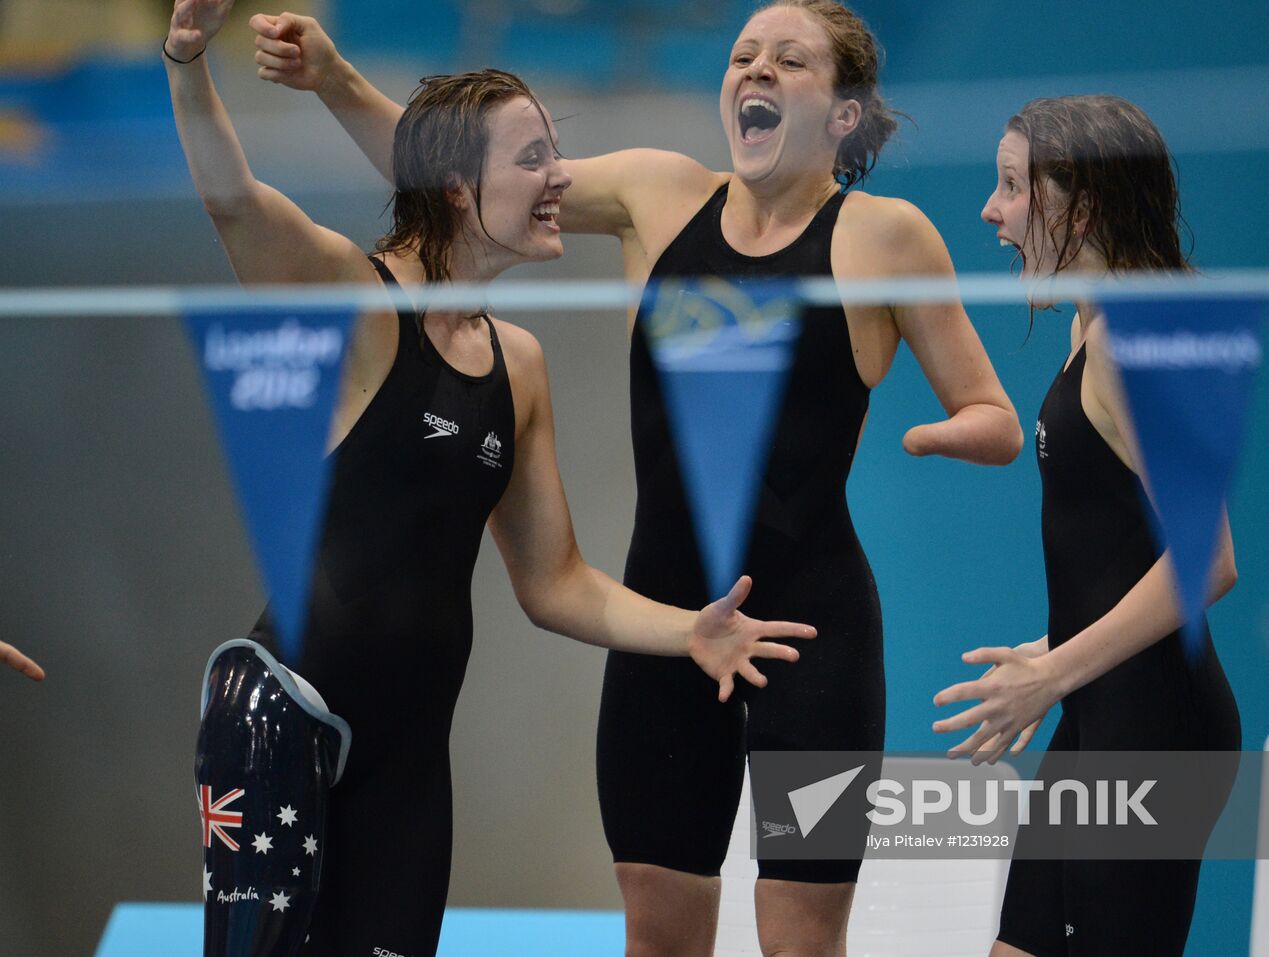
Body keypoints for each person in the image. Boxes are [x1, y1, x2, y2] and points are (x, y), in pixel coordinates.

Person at [250, 2, 1023, 953]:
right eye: (743, 55)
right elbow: (465, 177)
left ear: (844, 114)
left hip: (808, 641)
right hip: (668, 628)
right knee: (658, 933)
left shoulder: (886, 237)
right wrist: (333, 80)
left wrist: (944, 434)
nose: (757, 71)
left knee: (800, 942)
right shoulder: (657, 194)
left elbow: (994, 416)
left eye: (789, 61)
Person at [164, 2, 817, 955]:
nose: (560, 178)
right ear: (457, 188)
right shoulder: (356, 302)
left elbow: (555, 582)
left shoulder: (519, 366)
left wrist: (691, 630)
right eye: (533, 158)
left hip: (408, 757)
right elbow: (234, 203)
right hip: (283, 711)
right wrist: (187, 63)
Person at [933, 95, 1242, 956]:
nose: (990, 211)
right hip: (1102, 711)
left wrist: (1051, 672)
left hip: (1155, 732)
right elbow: (1123, 540)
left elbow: (1210, 559)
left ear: (1083, 207)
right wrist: (1054, 648)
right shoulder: (1091, 322)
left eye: (1011, 186)